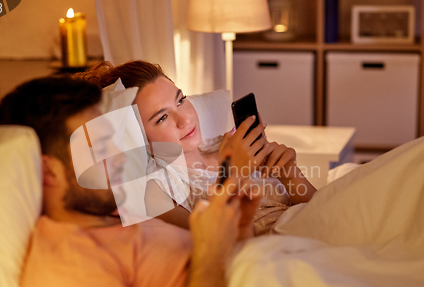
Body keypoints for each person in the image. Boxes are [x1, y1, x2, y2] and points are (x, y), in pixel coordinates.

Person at [0, 76, 262, 287]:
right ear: (49, 172)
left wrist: (240, 228)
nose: (121, 156)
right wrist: (209, 253)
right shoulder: (67, 263)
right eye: (100, 148)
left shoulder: (122, 216)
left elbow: (232, 276)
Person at [76, 60, 317, 235]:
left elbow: (319, 208)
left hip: (314, 230)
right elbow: (217, 244)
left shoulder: (227, 143)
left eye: (180, 100)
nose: (185, 120)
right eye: (162, 118)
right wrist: (231, 171)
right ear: (138, 136)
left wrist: (290, 174)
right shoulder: (157, 189)